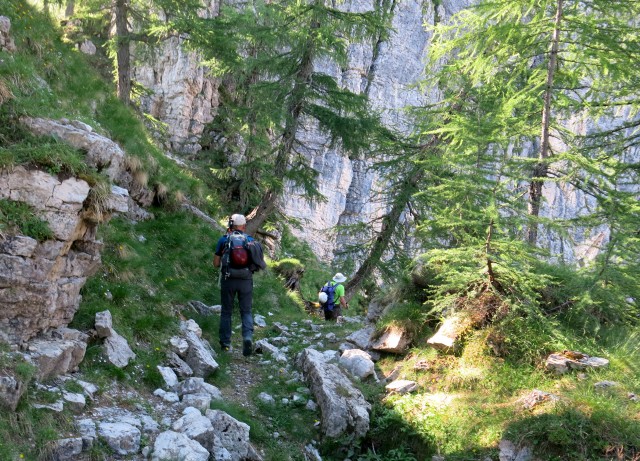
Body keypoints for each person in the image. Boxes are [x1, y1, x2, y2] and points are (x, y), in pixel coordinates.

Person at [213, 213, 266, 356]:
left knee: (226, 312)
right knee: (246, 311)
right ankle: (247, 337)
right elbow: (258, 262)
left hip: (228, 279)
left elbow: (216, 263)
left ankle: (225, 344)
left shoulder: (224, 240)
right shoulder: (250, 240)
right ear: (243, 226)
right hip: (246, 281)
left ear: (231, 225)